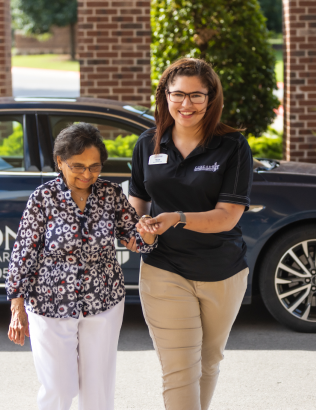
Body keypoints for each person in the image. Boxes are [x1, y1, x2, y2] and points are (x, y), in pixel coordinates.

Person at [5, 122, 157, 410]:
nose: (87, 174)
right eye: (78, 166)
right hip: (49, 304)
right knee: (59, 388)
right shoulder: (43, 199)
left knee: (98, 389)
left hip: (104, 301)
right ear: (60, 161)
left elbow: (132, 238)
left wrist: (146, 236)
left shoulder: (110, 194)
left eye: (95, 167)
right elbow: (23, 252)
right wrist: (17, 307)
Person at [129, 58, 253, 410]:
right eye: (178, 95)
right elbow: (136, 206)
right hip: (165, 269)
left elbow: (227, 217)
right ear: (164, 96)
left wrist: (176, 218)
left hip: (222, 270)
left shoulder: (232, 147)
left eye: (196, 96)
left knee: (208, 361)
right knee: (180, 369)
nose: (186, 105)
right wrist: (143, 230)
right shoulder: (147, 145)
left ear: (211, 98)